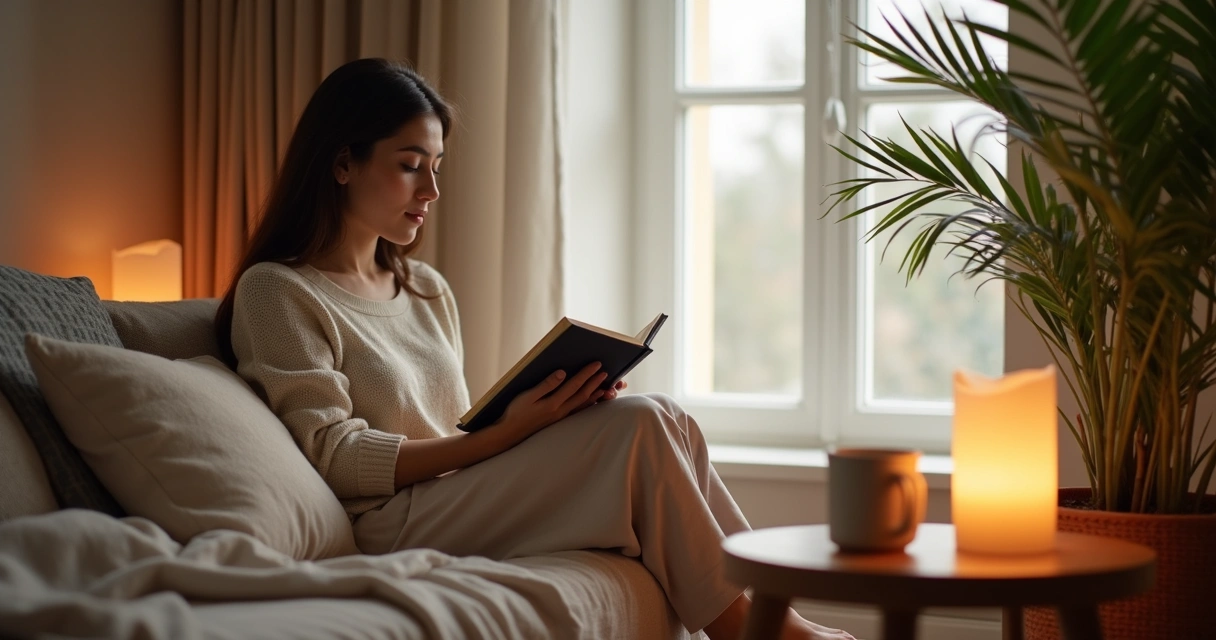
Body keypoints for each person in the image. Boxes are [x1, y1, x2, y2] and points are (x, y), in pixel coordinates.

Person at [215, 57, 854, 640]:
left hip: (457, 492)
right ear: (342, 163)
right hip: (386, 525)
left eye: (437, 168)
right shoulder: (278, 291)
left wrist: (553, 413)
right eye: (410, 165)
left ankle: (775, 615)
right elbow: (333, 455)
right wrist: (502, 438)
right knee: (639, 426)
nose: (431, 191)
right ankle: (762, 633)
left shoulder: (425, 288)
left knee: (664, 417)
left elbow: (453, 426)